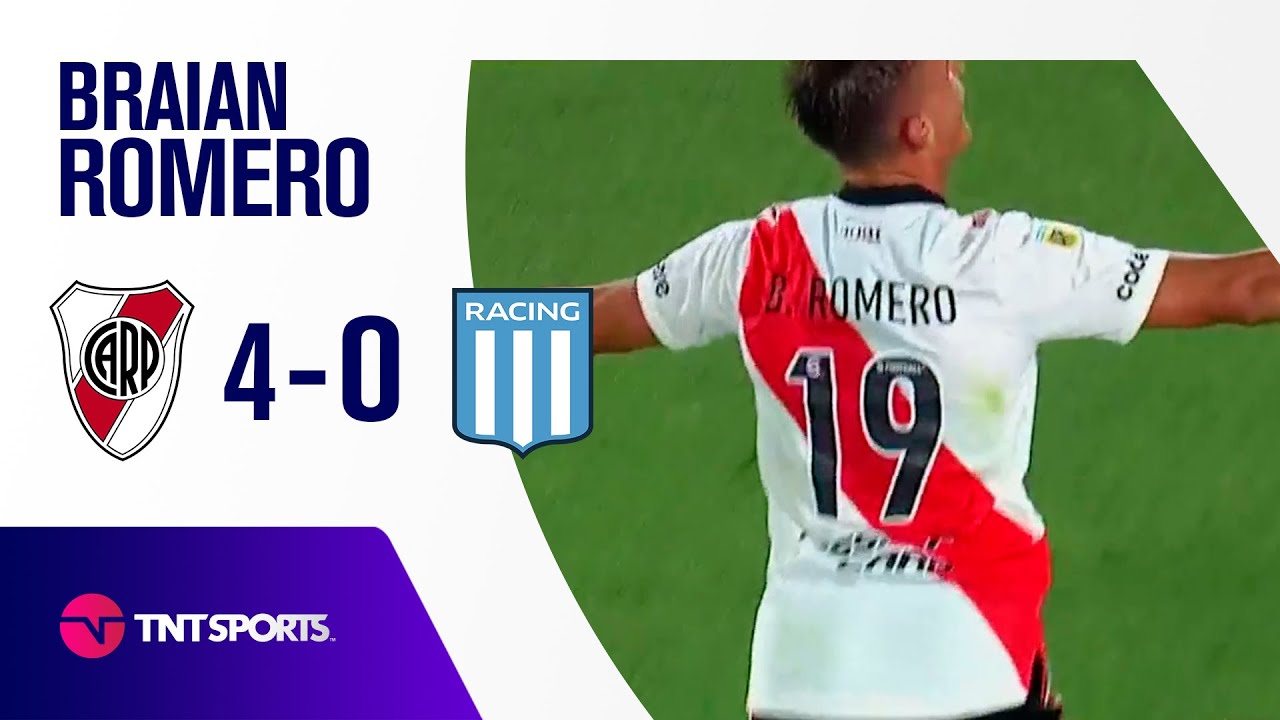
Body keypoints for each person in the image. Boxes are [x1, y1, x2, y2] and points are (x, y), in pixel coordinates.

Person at [586, 61, 1280, 720]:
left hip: (801, 675)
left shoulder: (755, 254)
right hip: (968, 666)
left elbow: (593, 318)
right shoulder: (1004, 260)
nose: (959, 71)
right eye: (946, 71)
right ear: (916, 129)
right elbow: (1247, 290)